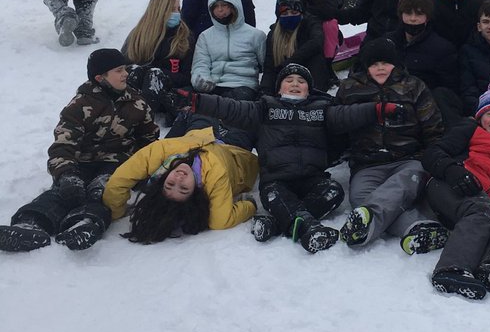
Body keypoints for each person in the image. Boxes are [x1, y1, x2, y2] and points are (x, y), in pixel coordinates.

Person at [186, 63, 398, 252]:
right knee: (274, 197)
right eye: (289, 81)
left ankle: (277, 224)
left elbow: (349, 115)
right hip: (277, 180)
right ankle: (309, 228)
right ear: (279, 88)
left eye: (301, 81)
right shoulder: (265, 108)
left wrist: (377, 110)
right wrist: (198, 101)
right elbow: (230, 107)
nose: (295, 84)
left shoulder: (321, 110)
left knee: (334, 191)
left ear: (309, 89)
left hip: (312, 178)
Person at [0, 48, 159, 253]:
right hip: (81, 161)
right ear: (100, 77)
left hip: (117, 162)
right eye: (119, 70)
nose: (126, 74)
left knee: (103, 192)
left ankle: (84, 223)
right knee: (65, 191)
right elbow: (63, 144)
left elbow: (149, 140)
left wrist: (140, 169)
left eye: (125, 69)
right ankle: (31, 223)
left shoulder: (136, 102)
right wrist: (66, 174)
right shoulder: (81, 104)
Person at [336, 38, 445, 254]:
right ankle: (415, 228)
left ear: (395, 64)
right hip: (367, 164)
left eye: (385, 63)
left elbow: (433, 127)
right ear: (366, 65)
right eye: (374, 64)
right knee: (360, 198)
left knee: (400, 185)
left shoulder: (414, 86)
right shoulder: (350, 89)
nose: (380, 68)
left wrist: (435, 159)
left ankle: (366, 225)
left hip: (408, 160)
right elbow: (336, 121)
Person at [422, 87, 490, 300]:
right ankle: (452, 269)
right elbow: (431, 154)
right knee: (481, 210)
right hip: (447, 186)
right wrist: (453, 171)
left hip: (479, 203)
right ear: (480, 115)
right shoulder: (468, 129)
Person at [103, 120, 259, 243]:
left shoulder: (161, 153)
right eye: (184, 188)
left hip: (199, 134)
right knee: (245, 113)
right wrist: (250, 205)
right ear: (195, 192)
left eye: (170, 184)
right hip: (235, 151)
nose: (178, 178)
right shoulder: (215, 177)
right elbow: (220, 221)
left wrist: (116, 212)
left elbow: (118, 182)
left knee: (206, 106)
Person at [389, 0, 461, 126]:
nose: (413, 19)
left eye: (419, 14)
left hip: (425, 109)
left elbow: (449, 89)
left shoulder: (442, 49)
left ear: (427, 17)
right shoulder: (388, 43)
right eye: (408, 13)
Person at [122, 0, 195, 117]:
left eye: (178, 9)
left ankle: (140, 116)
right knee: (133, 71)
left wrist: (158, 72)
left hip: (171, 93)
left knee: (154, 74)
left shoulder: (184, 37)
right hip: (138, 90)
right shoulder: (139, 34)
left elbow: (187, 78)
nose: (177, 13)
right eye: (173, 9)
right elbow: (122, 67)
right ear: (160, 11)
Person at [191, 0, 267, 100]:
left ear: (234, 6)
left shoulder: (255, 35)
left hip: (243, 86)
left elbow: (267, 67)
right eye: (215, 6)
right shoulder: (205, 36)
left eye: (224, 5)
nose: (220, 9)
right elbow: (200, 64)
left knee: (230, 104)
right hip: (213, 86)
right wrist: (201, 79)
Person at [259, 0, 333, 94]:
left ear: (301, 14)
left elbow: (316, 42)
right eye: (285, 14)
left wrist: (290, 62)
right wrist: (265, 91)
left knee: (315, 56)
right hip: (284, 83)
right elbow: (269, 67)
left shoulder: (310, 26)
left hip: (311, 78)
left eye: (294, 12)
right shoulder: (273, 35)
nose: (289, 16)